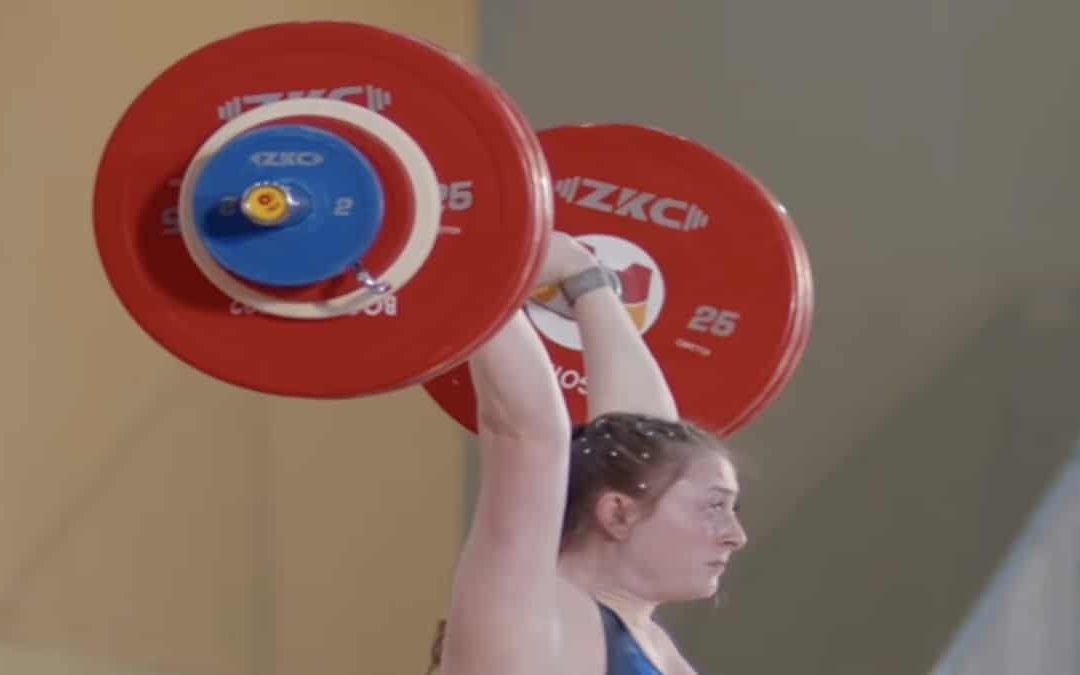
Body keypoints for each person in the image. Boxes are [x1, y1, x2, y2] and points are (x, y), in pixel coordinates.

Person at [429, 233, 748, 674]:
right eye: (714, 506)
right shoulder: (529, 620)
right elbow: (527, 437)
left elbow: (647, 444)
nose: (736, 535)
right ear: (617, 513)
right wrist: (475, 263)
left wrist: (586, 282)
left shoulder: (653, 647)